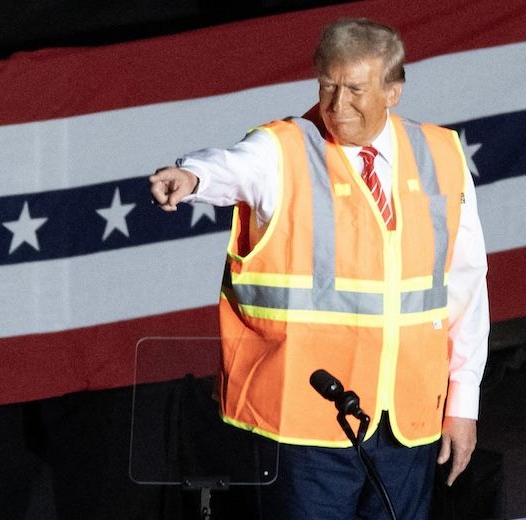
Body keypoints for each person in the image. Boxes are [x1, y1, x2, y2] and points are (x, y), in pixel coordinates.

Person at [149, 18, 489, 520]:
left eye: (354, 89)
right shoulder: (284, 149)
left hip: (406, 421)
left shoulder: (441, 154)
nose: (336, 104)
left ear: (392, 92)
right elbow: (234, 167)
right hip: (307, 426)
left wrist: (463, 402)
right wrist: (193, 176)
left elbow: (464, 286)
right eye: (327, 85)